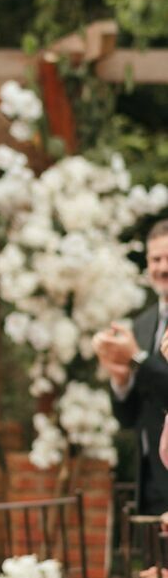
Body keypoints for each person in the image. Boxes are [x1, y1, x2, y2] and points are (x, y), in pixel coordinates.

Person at [94, 219, 168, 514]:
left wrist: (137, 357)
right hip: (148, 477)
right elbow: (129, 418)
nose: (162, 268)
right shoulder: (142, 323)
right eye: (155, 259)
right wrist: (121, 379)